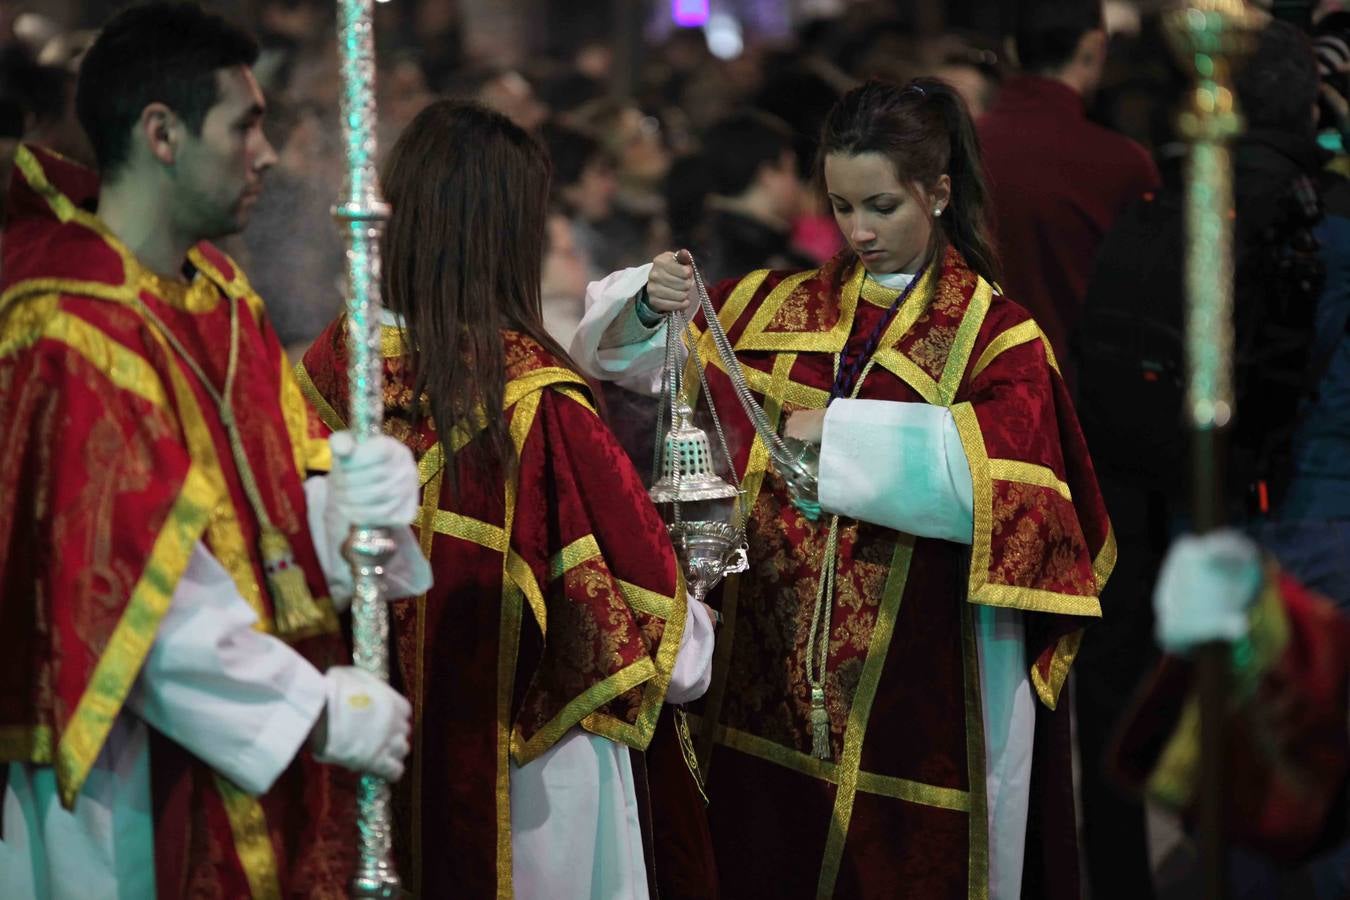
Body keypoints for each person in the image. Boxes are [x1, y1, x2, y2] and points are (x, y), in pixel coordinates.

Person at [573, 77, 1113, 899]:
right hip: (765, 687)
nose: (859, 231)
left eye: (882, 206)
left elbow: (1017, 492)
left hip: (924, 691)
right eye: (842, 205)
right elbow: (622, 355)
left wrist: (841, 435)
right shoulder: (776, 307)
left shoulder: (997, 339)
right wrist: (650, 302)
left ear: (938, 192)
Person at [0, 5, 430, 896]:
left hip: (247, 744)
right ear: (162, 133)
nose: (265, 155)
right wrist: (306, 708)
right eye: (244, 126)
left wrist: (346, 509)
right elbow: (123, 589)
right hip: (128, 775)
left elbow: (262, 521)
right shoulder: (69, 320)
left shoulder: (220, 295)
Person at [297, 100, 716, 900]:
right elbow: (658, 627)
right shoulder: (533, 397)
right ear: (507, 233)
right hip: (530, 779)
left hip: (369, 742)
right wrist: (705, 627)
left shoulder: (332, 366)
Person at [978, 0, 1159, 378]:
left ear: (1012, 49)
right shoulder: (1121, 164)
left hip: (960, 389)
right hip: (1072, 389)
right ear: (1094, 46)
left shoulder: (956, 145)